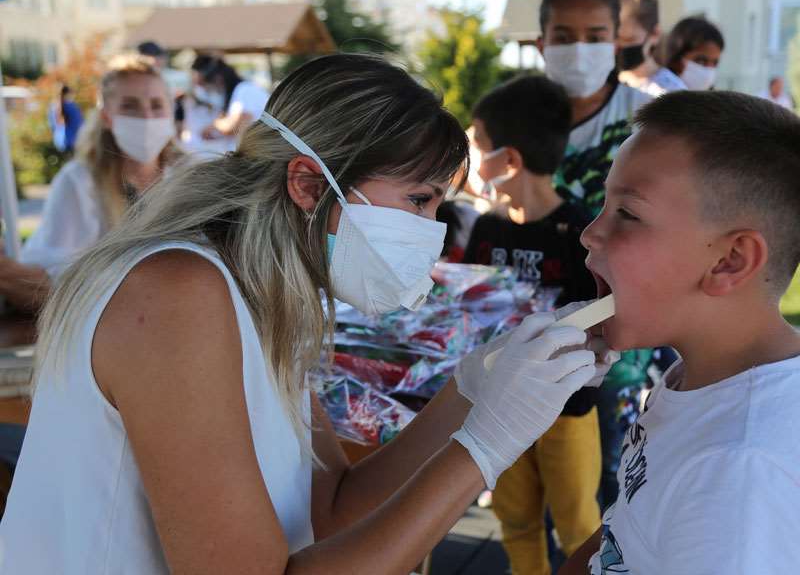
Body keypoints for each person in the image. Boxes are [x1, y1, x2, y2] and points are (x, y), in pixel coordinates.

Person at [0, 54, 618, 574]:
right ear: (308, 184)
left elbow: (333, 506)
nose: (428, 233)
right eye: (419, 200)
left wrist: (471, 391)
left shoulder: (263, 293)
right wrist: (485, 446)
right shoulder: (176, 295)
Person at [559, 90, 800, 574]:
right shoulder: (698, 379)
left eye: (627, 213)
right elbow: (624, 527)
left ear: (729, 260)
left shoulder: (738, 469)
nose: (590, 233)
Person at [464, 75, 601, 575]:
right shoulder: (486, 227)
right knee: (515, 521)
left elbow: (600, 327)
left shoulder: (582, 233)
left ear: (509, 160)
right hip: (500, 405)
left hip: (568, 411)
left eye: (477, 145)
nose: (473, 159)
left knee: (579, 529)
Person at [538, 0, 654, 510]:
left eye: (594, 34)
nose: (578, 48)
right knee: (541, 470)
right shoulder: (522, 114)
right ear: (541, 42)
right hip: (538, 315)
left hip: (623, 318)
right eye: (563, 35)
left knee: (617, 462)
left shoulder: (651, 118)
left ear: (617, 40)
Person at [0, 54, 180, 313]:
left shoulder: (191, 175)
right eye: (130, 106)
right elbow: (53, 275)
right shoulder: (80, 181)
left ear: (171, 111)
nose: (146, 117)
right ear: (107, 117)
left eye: (156, 105)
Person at [190, 54, 269, 151]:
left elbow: (235, 125)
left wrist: (212, 127)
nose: (206, 91)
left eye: (205, 85)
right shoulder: (239, 92)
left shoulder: (245, 90)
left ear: (218, 80)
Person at [617, 0, 685, 96]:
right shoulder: (604, 86)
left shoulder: (671, 92)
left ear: (655, 34)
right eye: (614, 38)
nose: (618, 46)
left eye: (629, 39)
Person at [662, 16, 725, 91]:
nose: (708, 69)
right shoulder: (652, 93)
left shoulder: (713, 101)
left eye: (715, 63)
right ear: (676, 59)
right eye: (701, 61)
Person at [47, 84, 83, 154]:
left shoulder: (53, 106)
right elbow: (79, 124)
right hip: (72, 142)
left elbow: (52, 126)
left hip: (59, 143)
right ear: (68, 93)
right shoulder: (72, 106)